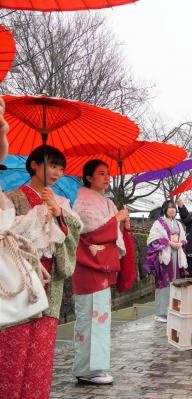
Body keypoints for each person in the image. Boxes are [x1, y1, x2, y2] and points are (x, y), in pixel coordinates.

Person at [2, 143, 81, 399]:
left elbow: (73, 236)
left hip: (51, 283)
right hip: (22, 281)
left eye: (60, 166)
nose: (57, 171)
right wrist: (35, 218)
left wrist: (58, 214)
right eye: (52, 164)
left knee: (42, 352)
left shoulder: (62, 202)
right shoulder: (12, 197)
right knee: (14, 348)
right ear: (35, 165)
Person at [71, 159, 130, 385]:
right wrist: (116, 219)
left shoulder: (105, 201)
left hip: (101, 267)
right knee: (90, 318)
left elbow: (112, 231)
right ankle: (88, 369)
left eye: (108, 173)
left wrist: (121, 223)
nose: (107, 177)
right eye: (101, 173)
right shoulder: (84, 202)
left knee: (100, 318)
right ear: (88, 177)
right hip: (89, 267)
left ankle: (95, 367)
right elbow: (91, 232)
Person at [144, 200, 188, 323]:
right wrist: (168, 242)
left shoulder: (178, 224)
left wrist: (180, 243)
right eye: (169, 208)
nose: (172, 209)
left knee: (176, 282)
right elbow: (152, 239)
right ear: (165, 209)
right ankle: (161, 313)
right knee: (163, 283)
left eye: (174, 207)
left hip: (177, 255)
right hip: (164, 256)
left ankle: (174, 309)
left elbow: (184, 238)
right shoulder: (159, 223)